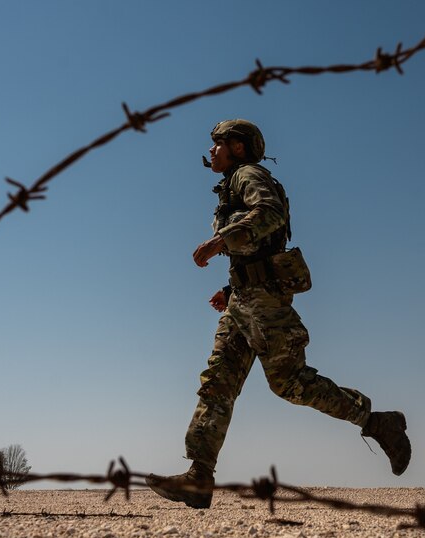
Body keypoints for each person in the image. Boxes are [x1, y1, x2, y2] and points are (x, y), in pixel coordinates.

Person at [147, 119, 411, 509]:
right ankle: (199, 476)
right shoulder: (231, 182)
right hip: (243, 300)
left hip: (266, 301)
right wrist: (231, 288)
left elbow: (269, 214)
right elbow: (258, 248)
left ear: (238, 147)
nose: (212, 151)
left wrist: (221, 241)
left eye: (218, 144)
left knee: (290, 383)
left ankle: (376, 421)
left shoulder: (248, 175)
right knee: (218, 382)